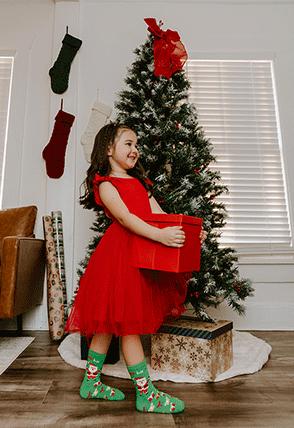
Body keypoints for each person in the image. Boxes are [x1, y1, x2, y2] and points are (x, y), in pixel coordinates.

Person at [65, 122, 206, 413]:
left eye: (137, 145)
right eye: (128, 143)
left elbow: (161, 217)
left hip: (139, 255)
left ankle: (91, 382)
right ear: (108, 149)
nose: (135, 150)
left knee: (111, 323)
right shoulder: (106, 185)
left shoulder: (140, 184)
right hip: (118, 257)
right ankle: (146, 394)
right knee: (123, 324)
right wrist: (160, 236)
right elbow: (127, 218)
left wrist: (186, 233)